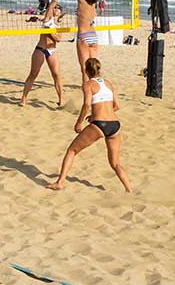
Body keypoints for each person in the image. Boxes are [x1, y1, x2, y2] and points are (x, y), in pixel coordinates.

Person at [47, 58, 131, 193]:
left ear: (86, 70)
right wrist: (98, 114)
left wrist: (79, 122)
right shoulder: (108, 83)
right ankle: (129, 189)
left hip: (99, 124)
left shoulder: (88, 85)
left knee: (72, 151)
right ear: (99, 69)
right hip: (115, 125)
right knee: (115, 163)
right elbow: (117, 106)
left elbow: (86, 105)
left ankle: (60, 182)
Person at [19, 0, 66, 107]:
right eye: (55, 8)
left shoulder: (58, 25)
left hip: (52, 50)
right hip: (40, 49)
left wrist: (51, 33)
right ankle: (23, 98)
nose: (56, 9)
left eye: (58, 9)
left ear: (60, 13)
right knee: (33, 74)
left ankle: (61, 99)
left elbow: (58, 39)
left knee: (56, 75)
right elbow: (53, 1)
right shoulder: (48, 19)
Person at [70, 0, 101, 80]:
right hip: (93, 37)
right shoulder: (93, 3)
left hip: (83, 37)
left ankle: (87, 93)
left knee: (85, 70)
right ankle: (96, 89)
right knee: (94, 69)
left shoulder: (81, 0)